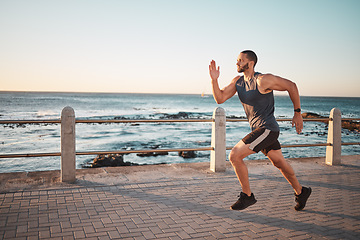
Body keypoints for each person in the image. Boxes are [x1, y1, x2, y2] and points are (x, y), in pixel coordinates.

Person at [209, 50, 311, 211]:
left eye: (240, 60)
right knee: (279, 163)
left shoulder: (263, 80)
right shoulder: (238, 82)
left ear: (250, 63)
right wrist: (214, 80)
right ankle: (301, 191)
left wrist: (297, 113)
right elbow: (219, 98)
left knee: (235, 155)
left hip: (268, 129)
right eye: (237, 60)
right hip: (260, 131)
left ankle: (247, 196)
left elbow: (291, 86)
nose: (237, 63)